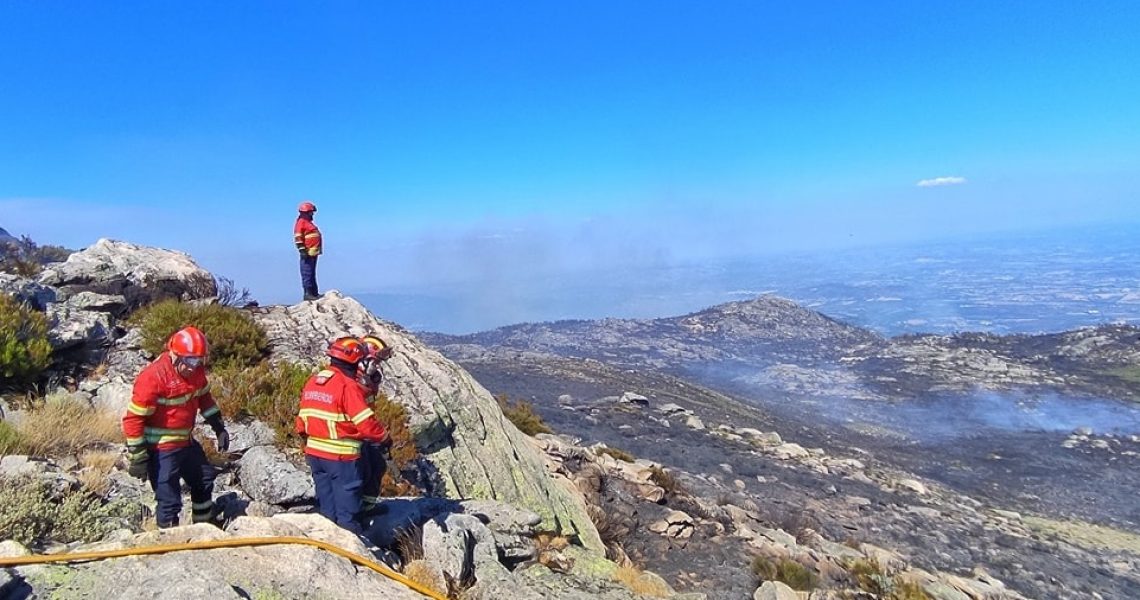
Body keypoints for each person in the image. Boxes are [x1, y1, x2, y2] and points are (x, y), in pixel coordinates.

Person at [122, 326, 230, 529]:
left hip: (186, 444)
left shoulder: (196, 372)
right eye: (189, 360)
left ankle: (203, 527)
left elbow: (204, 399)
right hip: (161, 450)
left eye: (198, 360)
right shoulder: (153, 378)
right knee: (169, 499)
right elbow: (133, 419)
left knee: (204, 480)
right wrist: (138, 457)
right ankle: (168, 542)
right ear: (175, 354)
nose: (193, 366)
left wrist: (219, 427)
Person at [294, 337, 389, 533]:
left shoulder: (315, 381)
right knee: (348, 514)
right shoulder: (347, 385)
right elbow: (365, 422)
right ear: (357, 361)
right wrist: (384, 438)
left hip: (316, 453)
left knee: (328, 508)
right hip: (341, 456)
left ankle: (328, 545)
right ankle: (352, 555)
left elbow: (301, 422)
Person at [357, 335, 394, 517]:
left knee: (377, 465)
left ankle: (368, 507)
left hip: (365, 431)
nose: (378, 366)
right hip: (353, 433)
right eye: (375, 361)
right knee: (362, 471)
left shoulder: (369, 380)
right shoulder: (352, 381)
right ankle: (356, 512)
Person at [293, 200, 322, 301]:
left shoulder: (307, 223)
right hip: (307, 252)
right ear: (306, 213)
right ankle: (308, 293)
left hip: (313, 251)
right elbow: (298, 236)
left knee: (312, 272)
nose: (312, 214)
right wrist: (302, 250)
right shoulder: (301, 222)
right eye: (311, 212)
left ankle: (314, 292)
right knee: (307, 272)